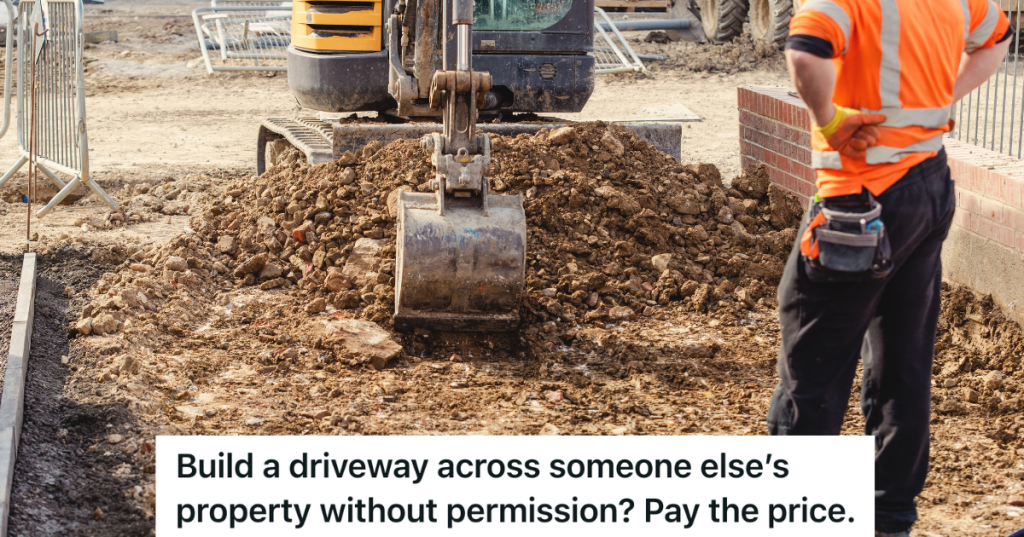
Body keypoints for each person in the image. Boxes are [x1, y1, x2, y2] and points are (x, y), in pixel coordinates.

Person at [767, 1, 1014, 536]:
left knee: (812, 370)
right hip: (929, 186)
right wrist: (940, 98)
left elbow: (805, 56)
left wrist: (832, 121)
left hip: (859, 202)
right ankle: (888, 515)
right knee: (902, 361)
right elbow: (998, 37)